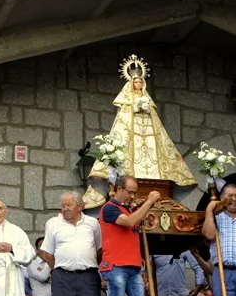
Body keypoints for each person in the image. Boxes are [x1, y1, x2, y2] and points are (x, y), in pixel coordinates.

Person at [82, 56, 196, 209]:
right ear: (131, 83)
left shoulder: (147, 101)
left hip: (149, 133)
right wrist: (135, 107)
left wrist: (145, 107)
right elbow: (122, 124)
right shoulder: (127, 104)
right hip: (132, 132)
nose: (138, 84)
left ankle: (155, 176)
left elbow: (157, 126)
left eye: (140, 82)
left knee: (157, 145)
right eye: (135, 82)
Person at [98, 175, 160, 296]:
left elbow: (136, 221)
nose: (133, 196)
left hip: (133, 265)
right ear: (118, 189)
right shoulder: (109, 208)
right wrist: (148, 202)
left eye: (135, 192)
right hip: (116, 265)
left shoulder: (128, 209)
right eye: (130, 192)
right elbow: (130, 221)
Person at [39, 191, 102, 296]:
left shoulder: (93, 224)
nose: (65, 209)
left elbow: (99, 250)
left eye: (69, 205)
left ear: (80, 206)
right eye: (63, 205)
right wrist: (60, 267)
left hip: (88, 277)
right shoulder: (54, 225)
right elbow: (46, 253)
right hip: (63, 277)